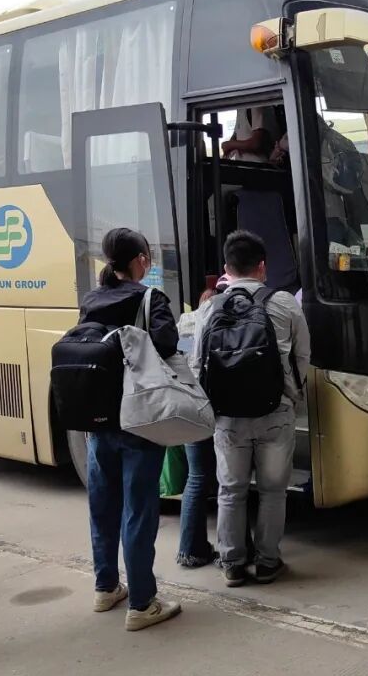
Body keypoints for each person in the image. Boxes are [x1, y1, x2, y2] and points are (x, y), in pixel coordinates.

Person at [191, 231, 311, 587]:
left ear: (226, 268)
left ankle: (232, 563)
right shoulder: (284, 302)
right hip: (275, 412)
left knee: (231, 490)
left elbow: (197, 365)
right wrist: (292, 394)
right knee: (273, 491)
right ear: (262, 267)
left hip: (227, 417)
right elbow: (302, 355)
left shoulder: (209, 308)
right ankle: (268, 562)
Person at [78, 228, 181, 631]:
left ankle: (106, 588)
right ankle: (142, 603)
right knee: (138, 510)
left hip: (98, 422)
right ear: (140, 260)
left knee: (103, 507)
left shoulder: (92, 299)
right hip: (139, 419)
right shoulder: (149, 298)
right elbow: (168, 346)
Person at [176, 288, 221, 569]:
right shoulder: (219, 322)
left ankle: (190, 550)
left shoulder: (185, 323)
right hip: (214, 407)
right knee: (228, 479)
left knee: (196, 477)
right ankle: (233, 551)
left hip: (188, 406)